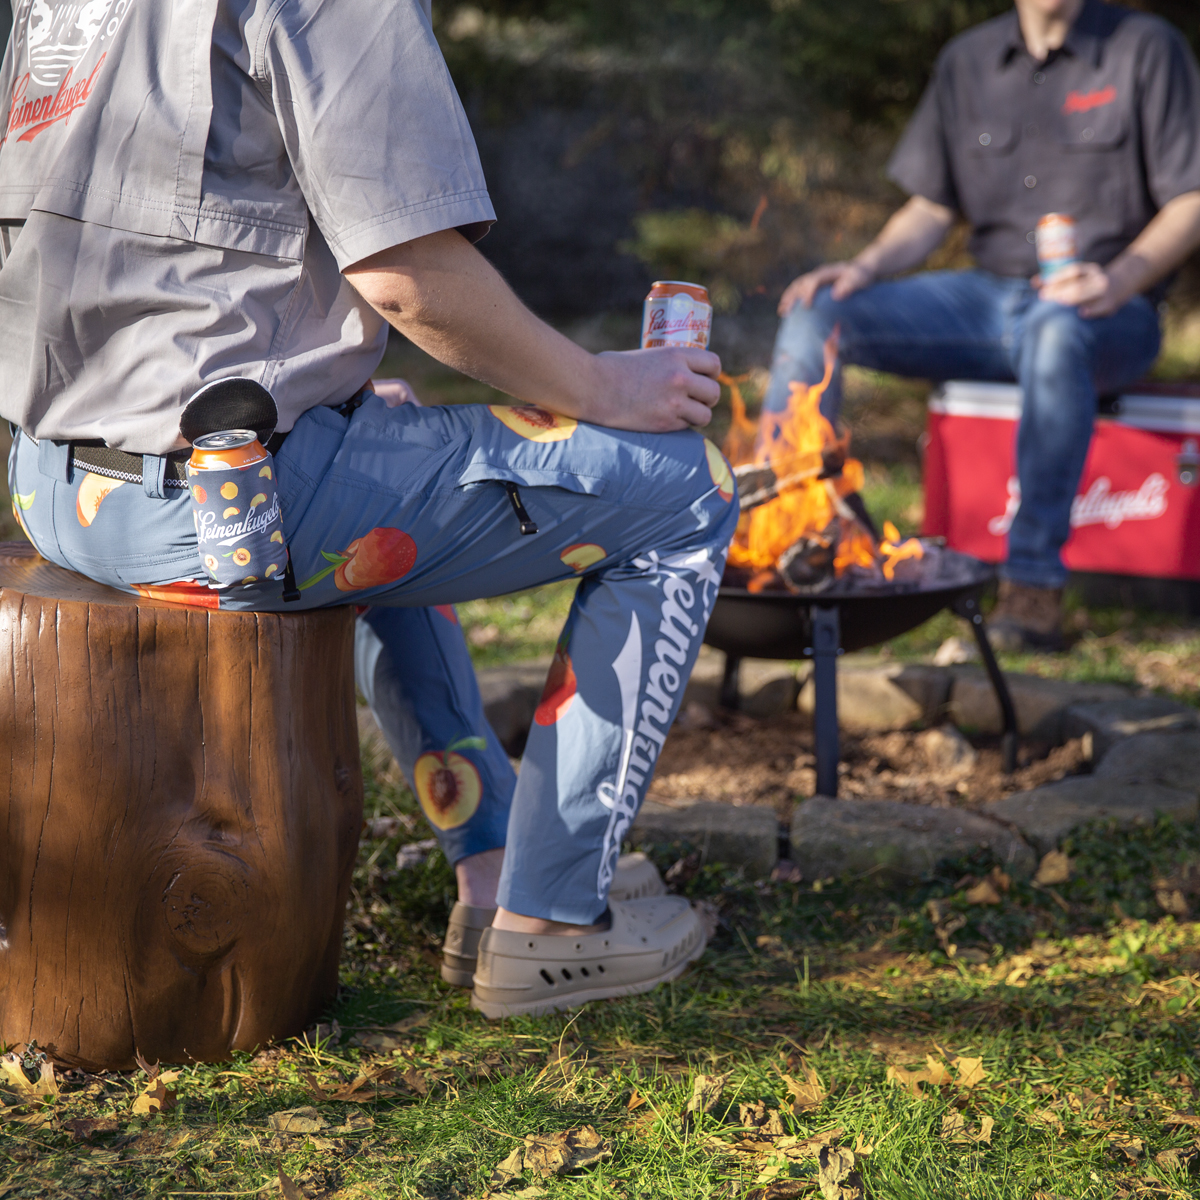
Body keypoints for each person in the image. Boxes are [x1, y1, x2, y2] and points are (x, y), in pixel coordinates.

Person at [0, 0, 738, 1018]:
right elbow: (407, 276)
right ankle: (556, 927)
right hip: (227, 512)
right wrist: (603, 389)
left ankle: (491, 870)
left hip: (56, 479)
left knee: (388, 451)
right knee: (686, 491)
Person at [768, 0, 1200, 651]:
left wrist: (1117, 281)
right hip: (982, 300)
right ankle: (795, 539)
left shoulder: (1146, 48)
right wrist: (864, 265)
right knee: (816, 312)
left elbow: (1191, 199)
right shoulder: (966, 61)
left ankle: (1031, 590)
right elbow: (932, 207)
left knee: (1057, 333)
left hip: (1108, 308)